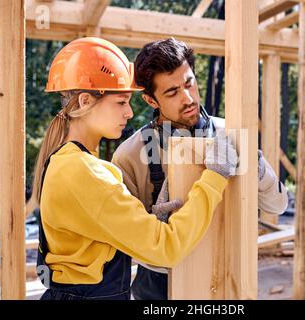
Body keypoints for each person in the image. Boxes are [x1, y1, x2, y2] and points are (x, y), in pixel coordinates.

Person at [34, 37, 238, 300]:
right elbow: (166, 248)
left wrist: (152, 224)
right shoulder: (85, 173)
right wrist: (214, 177)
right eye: (120, 102)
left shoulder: (68, 161)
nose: (130, 113)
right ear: (85, 101)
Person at [112, 37, 289, 300]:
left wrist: (256, 165)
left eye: (189, 84)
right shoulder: (130, 155)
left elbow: (278, 206)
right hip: (159, 283)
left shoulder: (229, 134)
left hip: (226, 271)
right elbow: (126, 242)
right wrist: (156, 227)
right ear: (151, 100)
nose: (187, 98)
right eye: (172, 92)